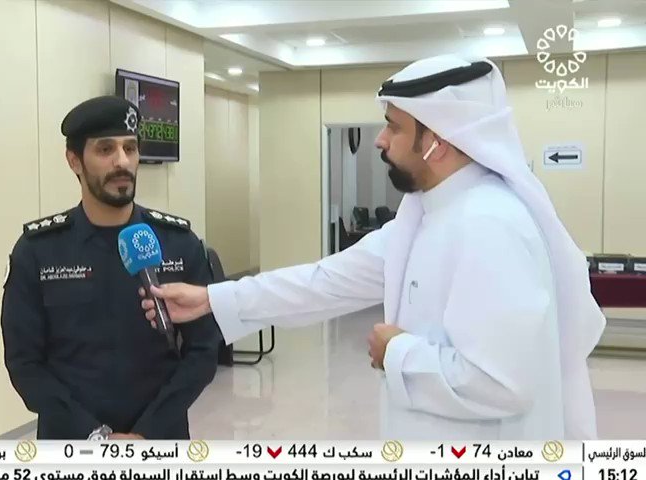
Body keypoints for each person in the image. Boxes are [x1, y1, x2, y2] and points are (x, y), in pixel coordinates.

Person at [139, 55, 606, 440]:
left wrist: (397, 352)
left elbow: (503, 383)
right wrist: (211, 298)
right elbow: (325, 282)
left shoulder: (490, 225)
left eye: (394, 127)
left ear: (437, 142)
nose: (380, 140)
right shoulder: (425, 213)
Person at [1, 95, 219, 440]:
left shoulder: (178, 243)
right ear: (74, 160)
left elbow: (204, 350)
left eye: (130, 148)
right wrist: (95, 434)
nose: (122, 161)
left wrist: (147, 431)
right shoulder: (38, 251)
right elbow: (24, 363)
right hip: (71, 442)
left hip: (160, 437)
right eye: (105, 150)